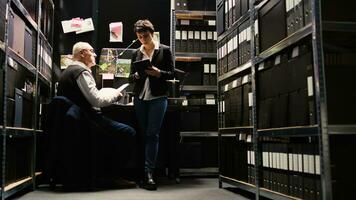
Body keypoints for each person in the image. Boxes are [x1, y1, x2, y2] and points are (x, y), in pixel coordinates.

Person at [129, 19, 175, 190]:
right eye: (139, 37)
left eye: (145, 36)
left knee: (152, 134)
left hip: (158, 97)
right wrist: (136, 76)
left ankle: (149, 173)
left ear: (152, 33)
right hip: (140, 97)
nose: (142, 39)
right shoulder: (136, 53)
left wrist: (158, 73)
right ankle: (140, 172)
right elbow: (130, 77)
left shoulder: (165, 50)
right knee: (142, 134)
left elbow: (171, 74)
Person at [57, 41, 136, 138]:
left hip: (76, 121)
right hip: (85, 120)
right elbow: (97, 101)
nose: (95, 54)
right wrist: (115, 95)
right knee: (129, 132)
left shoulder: (71, 70)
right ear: (82, 53)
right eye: (91, 51)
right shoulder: (81, 72)